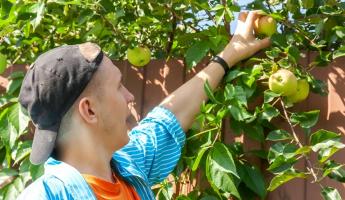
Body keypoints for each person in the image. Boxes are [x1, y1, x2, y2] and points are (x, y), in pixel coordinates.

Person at [17, 11, 270, 199]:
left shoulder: (128, 164)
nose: (130, 96)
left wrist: (229, 55)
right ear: (89, 110)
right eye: (118, 86)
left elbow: (168, 117)